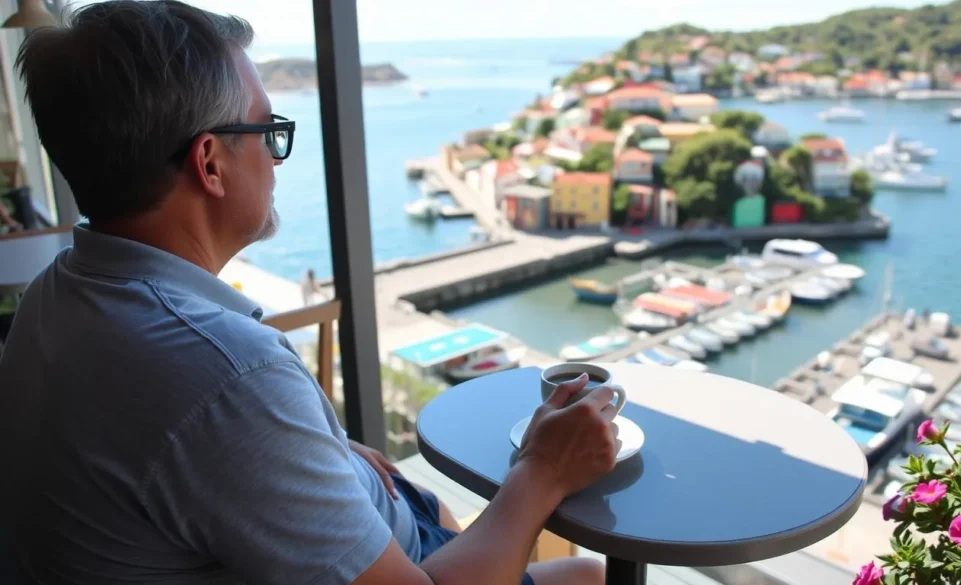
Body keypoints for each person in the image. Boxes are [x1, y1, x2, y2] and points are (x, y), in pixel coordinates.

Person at [0, 2, 616, 585]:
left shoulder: (55, 295)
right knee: (591, 574)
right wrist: (542, 469)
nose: (276, 159)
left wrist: (321, 448)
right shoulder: (227, 378)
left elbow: (182, 453)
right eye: (268, 131)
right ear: (209, 164)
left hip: (383, 530)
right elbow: (215, 412)